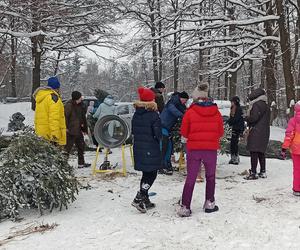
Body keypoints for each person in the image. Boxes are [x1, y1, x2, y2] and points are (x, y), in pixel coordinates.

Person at [177, 84, 224, 217]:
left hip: (194, 149)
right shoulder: (216, 112)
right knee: (210, 176)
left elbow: (184, 132)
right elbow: (220, 132)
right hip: (210, 149)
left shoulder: (190, 112)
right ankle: (210, 203)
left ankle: (185, 206)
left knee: (191, 177)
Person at [131, 87, 162, 213]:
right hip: (150, 148)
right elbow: (158, 134)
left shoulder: (136, 114)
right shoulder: (153, 115)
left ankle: (145, 200)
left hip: (139, 147)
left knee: (145, 173)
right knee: (152, 174)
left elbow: (134, 131)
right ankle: (140, 196)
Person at [160, 91, 189, 175]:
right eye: (185, 100)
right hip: (163, 126)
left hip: (168, 129)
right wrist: (184, 116)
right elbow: (174, 111)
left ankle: (167, 165)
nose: (185, 102)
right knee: (164, 148)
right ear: (181, 98)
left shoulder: (179, 104)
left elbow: (185, 111)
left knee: (169, 148)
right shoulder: (172, 102)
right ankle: (161, 167)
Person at [244, 88, 270, 180]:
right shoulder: (266, 105)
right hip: (265, 130)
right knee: (261, 152)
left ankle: (253, 172)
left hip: (256, 131)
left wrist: (246, 118)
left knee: (254, 151)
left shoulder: (256, 105)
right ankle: (263, 171)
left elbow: (254, 118)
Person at [33, 76, 66, 146]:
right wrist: (55, 137)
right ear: (57, 88)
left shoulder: (41, 97)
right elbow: (54, 119)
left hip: (41, 134)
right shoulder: (53, 98)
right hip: (50, 136)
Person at [64, 91, 90, 168]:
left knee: (81, 147)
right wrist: (66, 127)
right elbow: (65, 117)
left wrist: (84, 129)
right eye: (80, 97)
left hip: (78, 130)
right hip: (70, 131)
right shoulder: (69, 106)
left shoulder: (81, 105)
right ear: (76, 98)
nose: (81, 98)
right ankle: (63, 164)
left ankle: (81, 163)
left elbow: (82, 118)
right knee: (67, 148)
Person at [281, 101, 300, 196]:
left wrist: (284, 148)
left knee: (297, 169)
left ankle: (297, 189)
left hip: (296, 149)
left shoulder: (293, 121)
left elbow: (289, 135)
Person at [227, 96, 245, 165]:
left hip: (238, 128)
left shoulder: (238, 109)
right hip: (234, 127)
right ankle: (233, 157)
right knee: (233, 143)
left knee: (234, 143)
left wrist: (229, 122)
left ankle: (235, 158)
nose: (231, 103)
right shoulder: (233, 108)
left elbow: (235, 119)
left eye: (232, 101)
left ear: (235, 102)